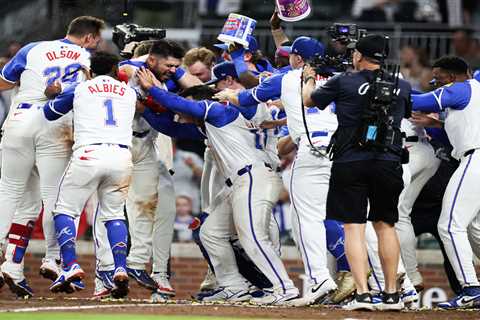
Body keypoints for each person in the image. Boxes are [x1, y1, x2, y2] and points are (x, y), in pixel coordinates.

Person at [136, 70, 300, 305]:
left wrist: (153, 89)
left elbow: (182, 105)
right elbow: (172, 129)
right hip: (240, 182)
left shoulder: (220, 109)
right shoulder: (211, 123)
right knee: (210, 232)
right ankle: (233, 285)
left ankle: (284, 288)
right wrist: (145, 110)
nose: (182, 113)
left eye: (189, 106)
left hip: (254, 176)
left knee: (253, 238)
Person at [303, 34, 412, 311]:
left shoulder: (345, 81)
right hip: (388, 161)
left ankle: (363, 294)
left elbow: (309, 101)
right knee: (386, 225)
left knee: (353, 227)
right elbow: (407, 113)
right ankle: (391, 295)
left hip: (350, 161)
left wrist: (308, 77)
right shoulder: (403, 85)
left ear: (358, 56)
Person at [0, 15, 104, 296]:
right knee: (53, 197)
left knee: (14, 194)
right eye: (97, 40)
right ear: (89, 38)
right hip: (55, 123)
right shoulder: (88, 57)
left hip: (20, 120)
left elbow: (3, 82)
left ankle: (11, 263)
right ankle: (53, 258)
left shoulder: (31, 48)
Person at [43, 52, 136, 299]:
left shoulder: (81, 88)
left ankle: (71, 264)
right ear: (116, 69)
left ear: (90, 70)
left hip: (89, 154)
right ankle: (119, 267)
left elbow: (50, 113)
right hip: (122, 157)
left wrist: (53, 93)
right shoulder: (129, 92)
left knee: (64, 210)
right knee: (114, 215)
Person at [411, 56, 480, 309]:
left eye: (439, 80)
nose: (436, 84)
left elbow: (421, 101)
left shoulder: (463, 87)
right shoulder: (471, 93)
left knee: (450, 225)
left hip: (475, 159)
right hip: (474, 157)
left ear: (451, 77)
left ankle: (472, 289)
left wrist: (394, 89)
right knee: (474, 229)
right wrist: (436, 122)